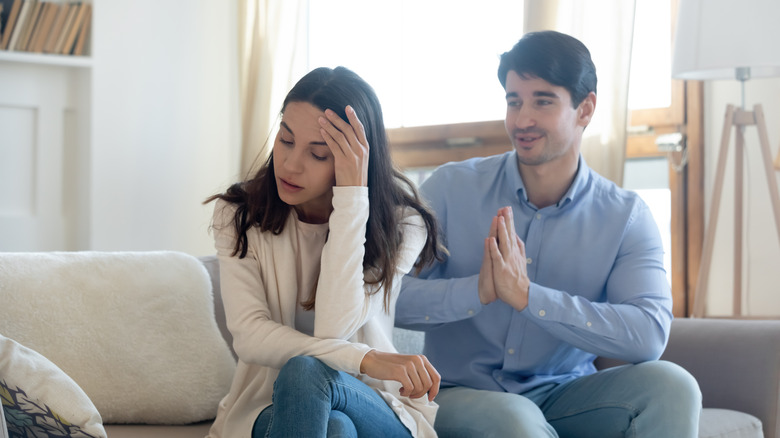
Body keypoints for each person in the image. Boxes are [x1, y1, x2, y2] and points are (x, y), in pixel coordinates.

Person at [396, 31, 702, 437]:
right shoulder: (450, 189)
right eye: (514, 101)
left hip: (565, 394)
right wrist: (478, 292)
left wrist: (529, 298)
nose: (523, 120)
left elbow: (647, 335)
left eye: (543, 101)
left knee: (674, 386)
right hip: (457, 394)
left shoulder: (625, 217)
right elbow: (384, 297)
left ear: (585, 109)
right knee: (516, 421)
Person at [206, 66, 444, 438]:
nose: (290, 164)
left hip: (379, 409)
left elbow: (335, 325)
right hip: (270, 407)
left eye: (318, 154)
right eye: (285, 140)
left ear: (358, 161)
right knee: (332, 426)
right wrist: (365, 358)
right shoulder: (239, 214)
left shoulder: (402, 224)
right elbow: (250, 335)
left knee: (307, 372)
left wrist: (351, 199)